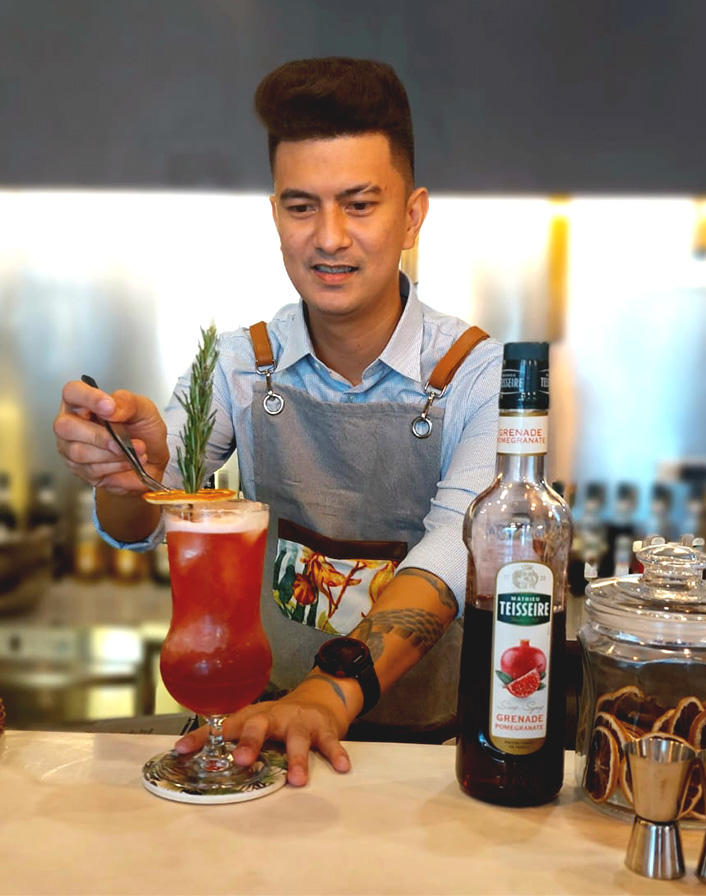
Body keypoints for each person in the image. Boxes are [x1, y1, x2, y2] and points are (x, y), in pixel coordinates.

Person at [54, 57, 501, 786]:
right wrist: (126, 471)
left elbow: (458, 549)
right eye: (301, 207)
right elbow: (144, 523)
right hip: (259, 729)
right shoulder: (239, 365)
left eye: (360, 205)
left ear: (412, 215)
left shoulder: (480, 375)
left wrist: (327, 694)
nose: (329, 237)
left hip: (431, 755)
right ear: (275, 216)